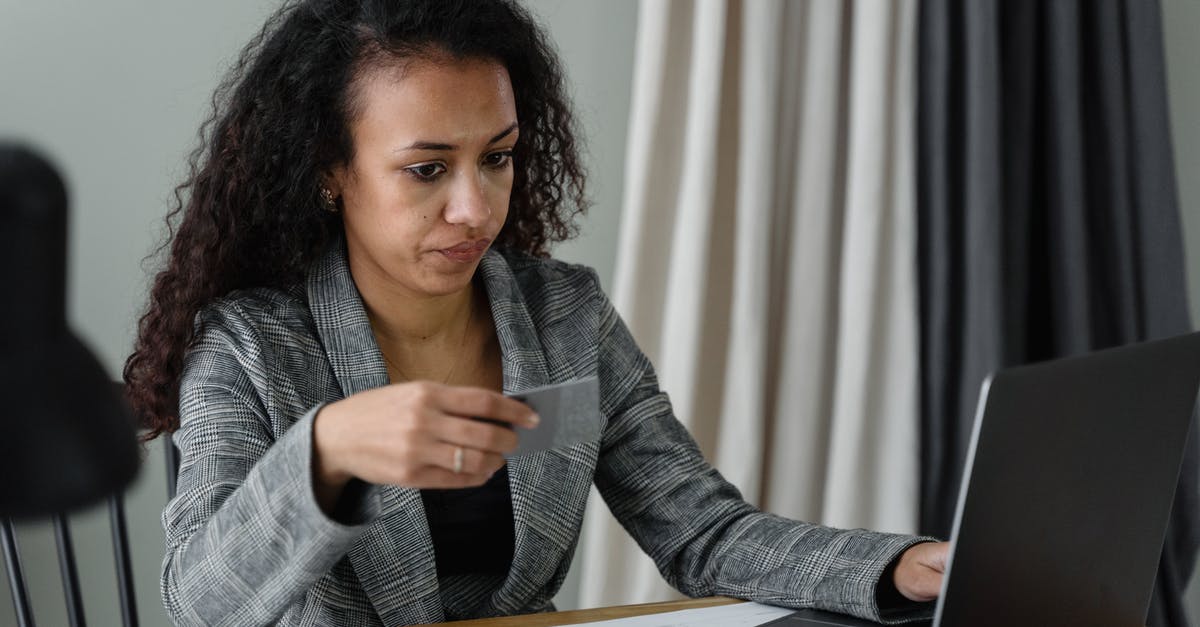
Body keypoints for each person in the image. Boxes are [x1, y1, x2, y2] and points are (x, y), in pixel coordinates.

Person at [124, 1, 948, 625]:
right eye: (426, 170)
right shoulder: (249, 345)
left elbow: (701, 531)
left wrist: (899, 564)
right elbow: (200, 602)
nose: (474, 208)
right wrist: (328, 448)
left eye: (498, 157)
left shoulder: (566, 315)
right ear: (331, 171)